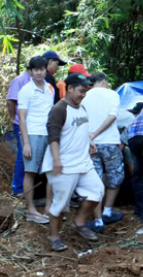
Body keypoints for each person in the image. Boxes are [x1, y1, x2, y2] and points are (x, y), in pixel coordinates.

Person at [40, 73, 104, 251]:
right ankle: (53, 237)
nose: (83, 95)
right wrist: (57, 161)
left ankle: (80, 221)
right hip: (64, 164)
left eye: (85, 92)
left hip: (83, 162)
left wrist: (89, 142)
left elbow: (81, 130)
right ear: (69, 88)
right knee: (60, 203)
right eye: (81, 91)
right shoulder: (59, 109)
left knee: (96, 191)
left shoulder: (81, 108)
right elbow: (53, 137)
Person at [82, 72, 125, 230]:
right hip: (110, 143)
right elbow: (112, 116)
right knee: (115, 177)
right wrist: (98, 132)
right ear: (104, 81)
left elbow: (81, 120)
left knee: (95, 182)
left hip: (91, 144)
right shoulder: (112, 94)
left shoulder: (84, 96)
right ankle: (107, 211)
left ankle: (98, 220)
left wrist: (91, 136)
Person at [17, 56, 55, 223]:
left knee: (52, 172)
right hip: (32, 134)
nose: (39, 72)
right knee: (30, 172)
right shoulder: (25, 90)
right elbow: (22, 118)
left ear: (46, 70)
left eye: (42, 69)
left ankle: (48, 207)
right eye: (36, 69)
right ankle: (31, 210)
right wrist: (26, 143)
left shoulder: (50, 89)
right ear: (31, 71)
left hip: (48, 134)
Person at [6, 65, 33, 196]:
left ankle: (28, 187)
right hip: (21, 123)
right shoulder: (20, 80)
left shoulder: (38, 82)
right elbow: (11, 101)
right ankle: (17, 187)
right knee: (22, 154)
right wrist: (13, 118)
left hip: (34, 124)